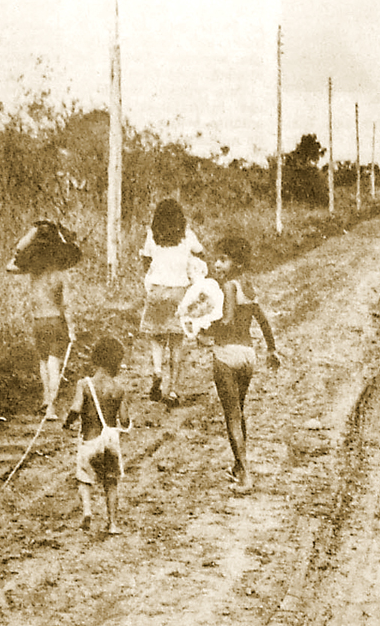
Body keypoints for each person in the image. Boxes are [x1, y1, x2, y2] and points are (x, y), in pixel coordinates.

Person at [205, 237, 280, 494]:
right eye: (216, 259)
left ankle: (246, 476)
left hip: (226, 354)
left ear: (236, 263)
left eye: (223, 260)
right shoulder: (248, 286)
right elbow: (262, 320)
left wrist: (203, 328)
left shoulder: (228, 286)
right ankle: (239, 467)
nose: (217, 264)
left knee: (232, 416)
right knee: (239, 412)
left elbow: (226, 321)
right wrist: (271, 349)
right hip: (248, 355)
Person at [6, 222, 77, 421]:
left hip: (38, 322)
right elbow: (66, 305)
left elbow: (10, 266)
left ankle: (46, 399)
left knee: (44, 363)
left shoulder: (33, 271)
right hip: (55, 321)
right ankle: (51, 408)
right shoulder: (60, 275)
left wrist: (31, 237)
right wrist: (72, 329)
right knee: (54, 364)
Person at [139, 199, 204, 408]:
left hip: (157, 290)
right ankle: (174, 390)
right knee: (177, 342)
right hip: (180, 292)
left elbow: (146, 261)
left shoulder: (152, 235)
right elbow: (200, 252)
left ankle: (157, 372)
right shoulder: (187, 235)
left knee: (157, 338)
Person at [63, 337, 130, 534]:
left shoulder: (85, 384)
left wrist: (67, 423)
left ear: (96, 358)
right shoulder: (119, 389)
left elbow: (76, 408)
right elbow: (124, 420)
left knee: (84, 477)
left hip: (90, 439)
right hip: (110, 441)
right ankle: (113, 523)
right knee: (111, 482)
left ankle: (87, 511)